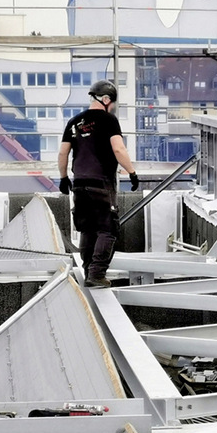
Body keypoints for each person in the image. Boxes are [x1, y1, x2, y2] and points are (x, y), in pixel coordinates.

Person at [58, 79, 139, 288]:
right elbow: (119, 150)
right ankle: (96, 274)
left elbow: (63, 153)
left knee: (87, 229)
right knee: (107, 228)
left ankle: (88, 272)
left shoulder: (74, 122)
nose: (112, 107)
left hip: (79, 183)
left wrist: (64, 178)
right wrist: (132, 172)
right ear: (105, 99)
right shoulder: (108, 120)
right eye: (111, 103)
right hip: (101, 183)